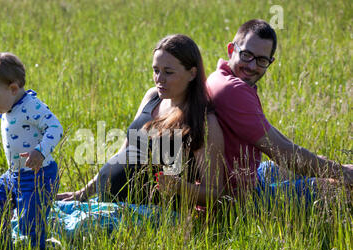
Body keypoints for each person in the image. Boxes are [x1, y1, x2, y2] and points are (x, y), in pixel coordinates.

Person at [57, 34, 226, 210]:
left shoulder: (203, 122)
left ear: (192, 73)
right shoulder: (152, 97)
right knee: (43, 215)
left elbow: (215, 192)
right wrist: (83, 193)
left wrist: (179, 187)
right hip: (106, 203)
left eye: (168, 72)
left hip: (149, 214)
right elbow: (123, 153)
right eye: (156, 70)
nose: (159, 79)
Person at [206, 19, 353, 202]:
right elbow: (281, 152)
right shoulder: (233, 90)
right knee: (339, 188)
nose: (252, 66)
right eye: (246, 55)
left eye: (261, 60)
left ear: (270, 62)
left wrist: (327, 164)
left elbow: (273, 136)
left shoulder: (219, 76)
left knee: (317, 164)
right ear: (231, 50)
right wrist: (342, 172)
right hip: (239, 200)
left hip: (251, 174)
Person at [0, 51, 63, 250]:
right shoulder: (10, 105)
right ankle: (2, 246)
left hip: (38, 176)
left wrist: (40, 151)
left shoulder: (33, 106)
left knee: (30, 218)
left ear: (13, 88)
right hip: (15, 174)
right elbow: (16, 123)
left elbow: (55, 128)